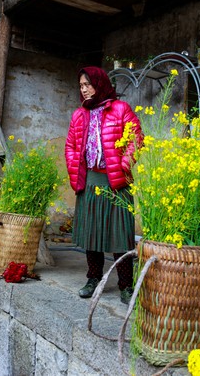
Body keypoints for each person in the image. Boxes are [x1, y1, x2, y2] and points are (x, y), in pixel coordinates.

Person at [65, 66, 143, 304]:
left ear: (100, 83)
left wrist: (123, 165)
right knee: (91, 234)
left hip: (116, 181)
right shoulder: (80, 114)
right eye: (81, 86)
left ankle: (125, 286)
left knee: (120, 236)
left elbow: (136, 137)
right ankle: (93, 279)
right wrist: (75, 171)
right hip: (90, 181)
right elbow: (70, 146)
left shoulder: (120, 109)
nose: (84, 90)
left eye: (87, 84)